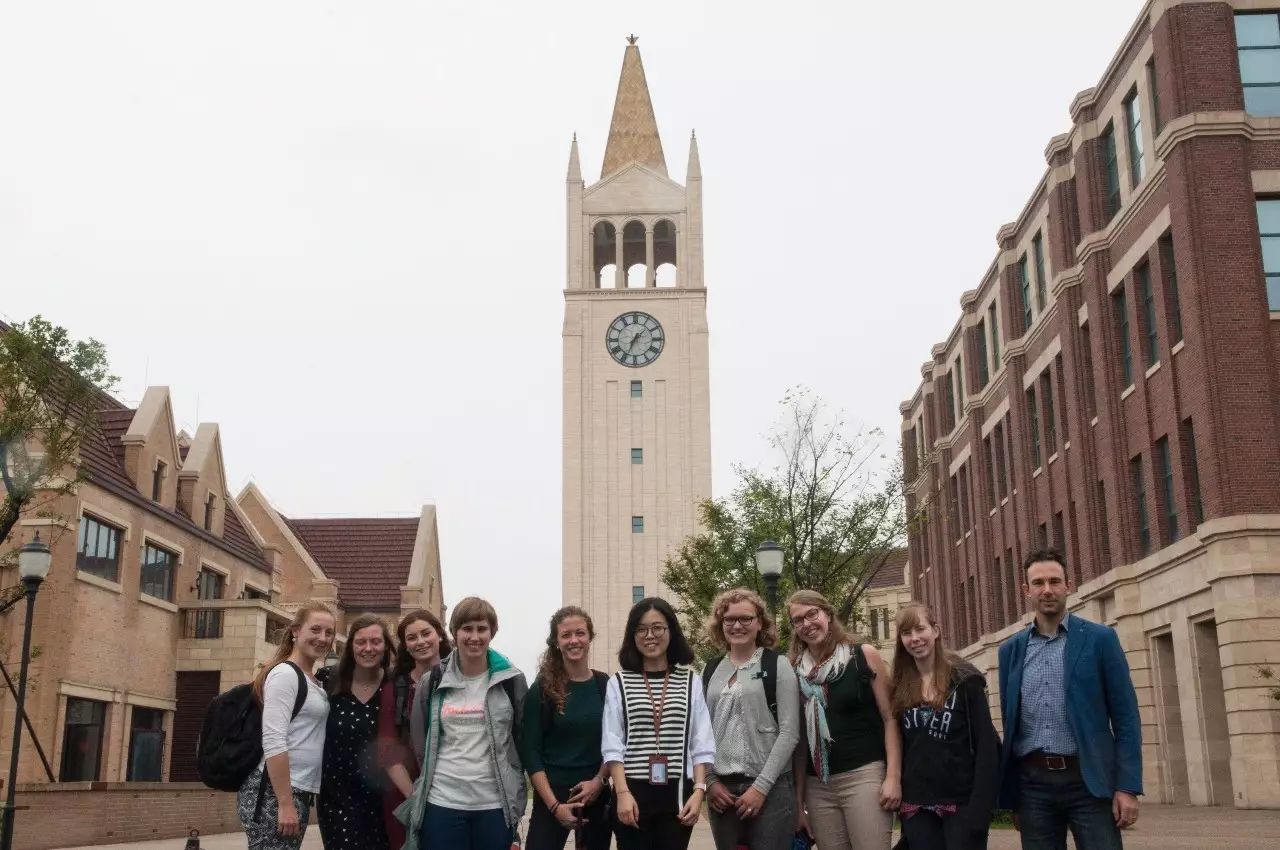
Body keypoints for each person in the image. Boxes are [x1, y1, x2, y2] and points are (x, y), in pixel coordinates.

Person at [997, 548, 1141, 850]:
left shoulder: (1101, 640)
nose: (1046, 590)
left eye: (1054, 581)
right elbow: (1011, 724)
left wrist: (1126, 786)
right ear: (1026, 591)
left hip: (1089, 783)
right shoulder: (1010, 651)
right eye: (1038, 583)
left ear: (1068, 585)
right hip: (1033, 787)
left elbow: (1126, 718)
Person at [397, 596, 528, 850]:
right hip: (443, 801)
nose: (474, 636)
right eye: (467, 628)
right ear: (454, 633)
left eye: (482, 628)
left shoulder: (511, 680)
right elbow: (421, 741)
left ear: (492, 632)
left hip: (494, 804)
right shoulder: (432, 680)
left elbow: (520, 738)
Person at [787, 589, 901, 850]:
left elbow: (890, 718)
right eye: (798, 620)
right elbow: (801, 742)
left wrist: (893, 776)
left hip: (864, 776)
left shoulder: (862, 655)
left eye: (812, 614)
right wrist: (798, 802)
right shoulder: (795, 672)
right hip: (819, 786)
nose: (807, 624)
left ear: (827, 613)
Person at [602, 596, 715, 850]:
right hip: (631, 793)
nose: (649, 635)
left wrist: (699, 791)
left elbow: (701, 741)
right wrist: (621, 793)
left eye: (657, 628)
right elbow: (612, 743)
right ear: (632, 636)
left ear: (671, 631)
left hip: (677, 794)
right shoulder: (619, 682)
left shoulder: (690, 680)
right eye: (641, 629)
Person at [891, 601, 1000, 850]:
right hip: (917, 805)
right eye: (907, 633)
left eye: (920, 629)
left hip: (961, 803)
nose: (915, 638)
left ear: (936, 631)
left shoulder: (965, 680)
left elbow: (986, 746)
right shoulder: (901, 686)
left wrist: (980, 811)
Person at [702, 588, 800, 850]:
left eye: (746, 618)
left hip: (771, 788)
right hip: (722, 791)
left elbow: (790, 732)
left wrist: (760, 788)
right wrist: (709, 782)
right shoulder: (710, 670)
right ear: (720, 624)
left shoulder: (777, 665)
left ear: (760, 623)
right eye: (729, 619)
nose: (737, 625)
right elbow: (700, 733)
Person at [239, 601, 336, 850]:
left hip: (297, 790)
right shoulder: (285, 674)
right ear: (295, 631)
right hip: (275, 792)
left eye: (328, 632)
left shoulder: (312, 679)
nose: (322, 638)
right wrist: (285, 803)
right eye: (315, 629)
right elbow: (273, 739)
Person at [521, 605, 612, 850]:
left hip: (595, 792)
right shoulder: (542, 689)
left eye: (580, 633)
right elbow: (530, 752)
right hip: (552, 796)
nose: (574, 640)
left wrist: (599, 781)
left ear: (590, 637)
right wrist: (554, 806)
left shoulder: (606, 685)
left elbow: (615, 743)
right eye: (566, 635)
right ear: (556, 642)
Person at [318, 614, 395, 850]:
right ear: (350, 646)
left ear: (386, 646)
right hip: (337, 799)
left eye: (375, 641)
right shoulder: (328, 681)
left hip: (384, 799)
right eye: (361, 642)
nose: (368, 648)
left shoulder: (396, 685)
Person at [378, 609, 451, 848]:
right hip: (407, 794)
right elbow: (388, 751)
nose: (420, 641)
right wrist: (416, 800)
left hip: (456, 794)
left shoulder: (460, 679)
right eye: (412, 637)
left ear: (439, 635)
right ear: (406, 646)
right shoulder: (396, 688)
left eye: (425, 633)